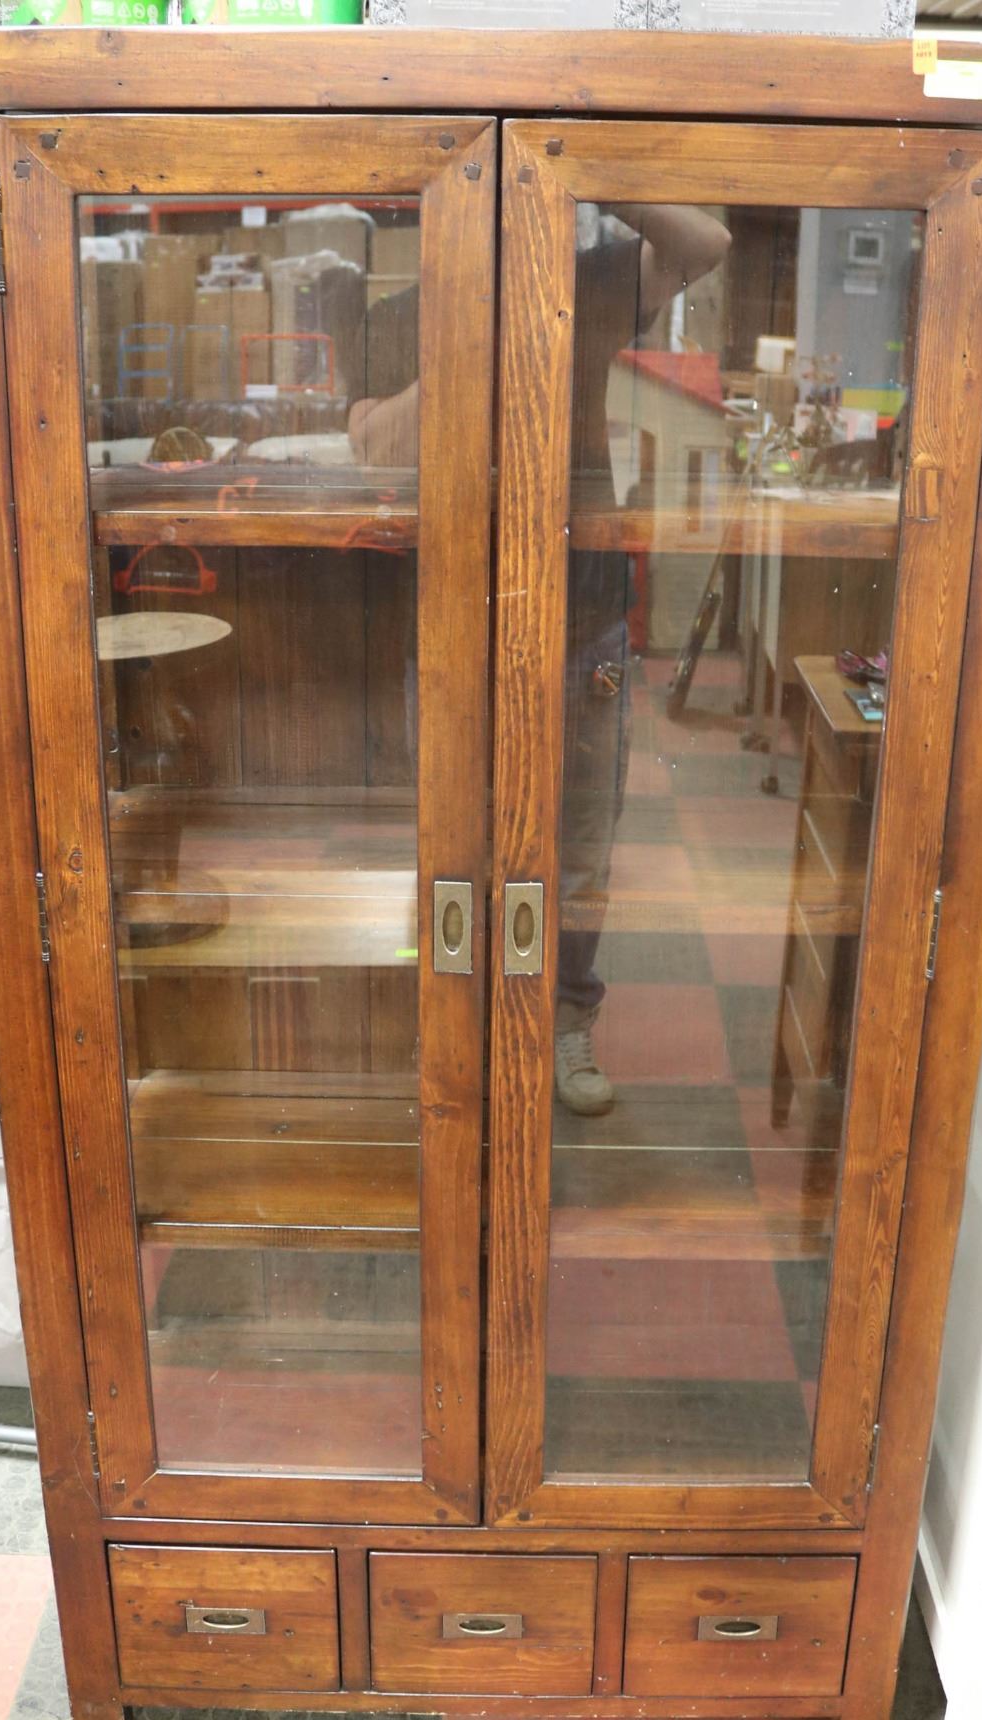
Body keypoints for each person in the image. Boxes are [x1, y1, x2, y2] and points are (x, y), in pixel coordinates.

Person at [350, 203, 731, 1115]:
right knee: (448, 838)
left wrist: (584, 165)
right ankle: (459, 1025)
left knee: (582, 845)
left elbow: (704, 243)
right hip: (446, 623)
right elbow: (373, 445)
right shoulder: (392, 317)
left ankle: (562, 1020)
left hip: (580, 609)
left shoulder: (586, 281)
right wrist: (471, 335)